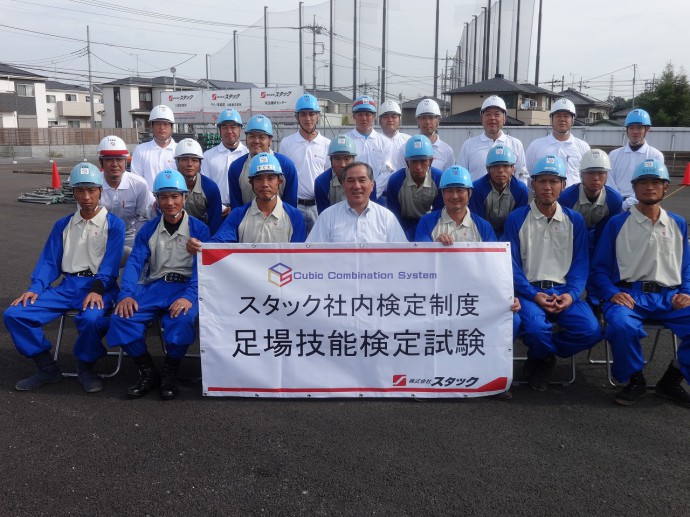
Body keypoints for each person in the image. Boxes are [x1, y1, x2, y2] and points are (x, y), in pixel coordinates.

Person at [4, 163, 124, 393]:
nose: (86, 197)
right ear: (73, 192)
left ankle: (86, 367)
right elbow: (49, 262)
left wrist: (97, 289)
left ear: (100, 191)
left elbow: (110, 265)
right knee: (15, 314)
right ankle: (47, 367)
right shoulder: (63, 225)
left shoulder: (114, 224)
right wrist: (35, 288)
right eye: (80, 190)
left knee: (92, 319)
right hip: (68, 285)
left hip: (100, 286)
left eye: (91, 190)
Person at [415, 165, 521, 400]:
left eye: (460, 190)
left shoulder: (482, 226)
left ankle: (491, 378)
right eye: (449, 191)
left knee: (513, 320)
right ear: (442, 194)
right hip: (436, 297)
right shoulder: (428, 222)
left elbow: (496, 269)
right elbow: (418, 261)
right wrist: (435, 247)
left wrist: (508, 296)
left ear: (470, 193)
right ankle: (427, 380)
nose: (455, 196)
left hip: (475, 298)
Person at [590, 159, 690, 407]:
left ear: (666, 187)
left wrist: (687, 292)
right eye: (643, 182)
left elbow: (686, 266)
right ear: (634, 188)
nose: (649, 187)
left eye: (656, 182)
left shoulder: (677, 223)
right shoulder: (617, 223)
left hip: (669, 297)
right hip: (629, 295)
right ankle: (635, 379)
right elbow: (599, 268)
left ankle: (672, 378)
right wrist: (611, 293)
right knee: (621, 325)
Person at [106, 169, 210, 400]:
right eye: (163, 197)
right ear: (157, 200)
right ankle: (148, 372)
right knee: (122, 317)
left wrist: (189, 297)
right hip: (154, 286)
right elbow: (134, 263)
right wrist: (126, 294)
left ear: (184, 197)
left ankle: (170, 372)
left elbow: (202, 269)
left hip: (185, 288)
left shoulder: (200, 230)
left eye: (175, 196)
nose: (169, 202)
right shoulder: (148, 229)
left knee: (181, 320)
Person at [503, 155, 602, 391]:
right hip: (530, 292)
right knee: (535, 329)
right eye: (542, 181)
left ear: (564, 185)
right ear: (532, 184)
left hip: (563, 291)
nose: (548, 187)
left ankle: (541, 355)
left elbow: (580, 263)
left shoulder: (575, 220)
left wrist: (571, 295)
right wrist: (532, 294)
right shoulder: (517, 218)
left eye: (554, 181)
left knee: (591, 331)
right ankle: (544, 357)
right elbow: (511, 264)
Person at [187, 153, 305, 249]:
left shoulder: (295, 216)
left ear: (280, 182)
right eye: (258, 178)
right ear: (251, 183)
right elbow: (218, 244)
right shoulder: (238, 215)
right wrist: (200, 246)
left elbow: (299, 255)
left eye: (270, 178)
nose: (265, 184)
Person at [307, 161, 407, 243]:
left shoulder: (387, 218)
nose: (356, 186)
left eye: (362, 180)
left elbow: (401, 255)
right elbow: (312, 255)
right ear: (343, 185)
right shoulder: (327, 217)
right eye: (350, 181)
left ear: (372, 185)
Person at [279, 94, 330, 232]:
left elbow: (329, 178)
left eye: (311, 114)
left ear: (318, 116)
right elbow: (282, 178)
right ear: (297, 117)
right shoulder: (287, 143)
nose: (308, 118)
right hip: (295, 205)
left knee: (319, 242)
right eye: (303, 114)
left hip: (318, 205)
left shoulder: (327, 144)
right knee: (295, 241)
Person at [97, 135, 154, 259]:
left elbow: (142, 220)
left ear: (125, 161)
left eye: (119, 159)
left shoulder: (139, 184)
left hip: (129, 235)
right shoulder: (93, 185)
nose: (115, 164)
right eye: (109, 160)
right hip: (100, 236)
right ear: (101, 162)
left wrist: (141, 246)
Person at [559, 149, 623, 256]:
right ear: (581, 175)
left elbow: (607, 234)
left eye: (601, 173)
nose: (596, 178)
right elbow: (563, 233)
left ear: (607, 175)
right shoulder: (567, 197)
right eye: (590, 173)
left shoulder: (614, 199)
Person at [228, 114, 298, 208]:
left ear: (270, 140)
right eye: (252, 136)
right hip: (247, 217)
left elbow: (290, 205)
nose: (256, 141)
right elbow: (236, 206)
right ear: (246, 139)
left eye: (262, 137)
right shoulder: (236, 167)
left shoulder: (286, 165)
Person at [456, 95, 528, 183]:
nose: (492, 118)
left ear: (504, 118)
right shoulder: (469, 145)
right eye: (488, 114)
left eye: (497, 114)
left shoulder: (516, 144)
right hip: (477, 192)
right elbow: (460, 178)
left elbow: (522, 177)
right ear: (482, 118)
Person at [386, 134, 443, 240]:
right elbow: (393, 215)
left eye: (423, 161)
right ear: (407, 162)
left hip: (429, 223)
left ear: (431, 161)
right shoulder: (395, 181)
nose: (418, 167)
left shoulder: (438, 179)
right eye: (414, 161)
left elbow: (439, 213)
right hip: (402, 223)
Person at [606, 109, 665, 211]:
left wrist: (626, 204)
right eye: (631, 128)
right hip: (616, 204)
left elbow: (651, 185)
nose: (635, 131)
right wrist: (617, 202)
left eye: (639, 128)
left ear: (647, 129)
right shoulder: (614, 154)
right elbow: (609, 182)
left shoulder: (655, 155)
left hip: (643, 204)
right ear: (627, 129)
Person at [525, 98, 590, 188]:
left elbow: (587, 176)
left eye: (566, 116)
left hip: (574, 196)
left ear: (573, 119)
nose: (562, 119)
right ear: (551, 119)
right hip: (545, 196)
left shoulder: (583, 147)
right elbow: (528, 175)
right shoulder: (536, 145)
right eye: (558, 116)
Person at [468, 144, 529, 239]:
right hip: (483, 235)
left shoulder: (520, 189)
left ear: (513, 168)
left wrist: (504, 242)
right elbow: (477, 222)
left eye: (505, 166)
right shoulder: (477, 188)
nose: (500, 170)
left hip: (510, 235)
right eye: (495, 166)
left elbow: (518, 221)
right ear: (488, 169)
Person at [345, 96, 395, 200]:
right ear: (354, 116)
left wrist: (372, 191)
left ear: (374, 116)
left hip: (376, 196)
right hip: (351, 196)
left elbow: (387, 171)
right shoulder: (346, 141)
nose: (364, 118)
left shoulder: (385, 142)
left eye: (368, 114)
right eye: (360, 114)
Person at [314, 134, 378, 214]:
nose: (343, 164)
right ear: (330, 160)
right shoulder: (322, 182)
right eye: (337, 159)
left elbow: (373, 210)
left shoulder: (367, 180)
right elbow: (324, 215)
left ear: (354, 159)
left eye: (347, 159)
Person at [201, 109, 248, 215]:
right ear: (220, 130)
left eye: (233, 127)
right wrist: (222, 208)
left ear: (240, 129)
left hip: (244, 211)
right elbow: (204, 186)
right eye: (225, 127)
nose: (229, 131)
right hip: (217, 210)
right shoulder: (208, 156)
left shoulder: (248, 154)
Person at [174, 138, 223, 235]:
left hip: (201, 235)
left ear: (200, 163)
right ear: (177, 162)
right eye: (184, 159)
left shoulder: (210, 187)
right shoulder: (169, 186)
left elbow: (215, 223)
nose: (189, 164)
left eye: (194, 160)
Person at [130, 104, 177, 190]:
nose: (162, 127)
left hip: (174, 198)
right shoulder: (141, 150)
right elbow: (136, 181)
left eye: (166, 124)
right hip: (148, 198)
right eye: (158, 123)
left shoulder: (179, 150)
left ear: (171, 126)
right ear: (151, 126)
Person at [413, 98, 454, 171]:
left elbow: (449, 177)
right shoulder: (407, 148)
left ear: (438, 121)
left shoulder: (447, 151)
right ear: (418, 121)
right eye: (423, 118)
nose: (427, 122)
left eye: (431, 117)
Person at [378, 100, 410, 172]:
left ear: (399, 119)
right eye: (385, 117)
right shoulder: (374, 141)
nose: (390, 120)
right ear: (380, 120)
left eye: (394, 117)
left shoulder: (408, 141)